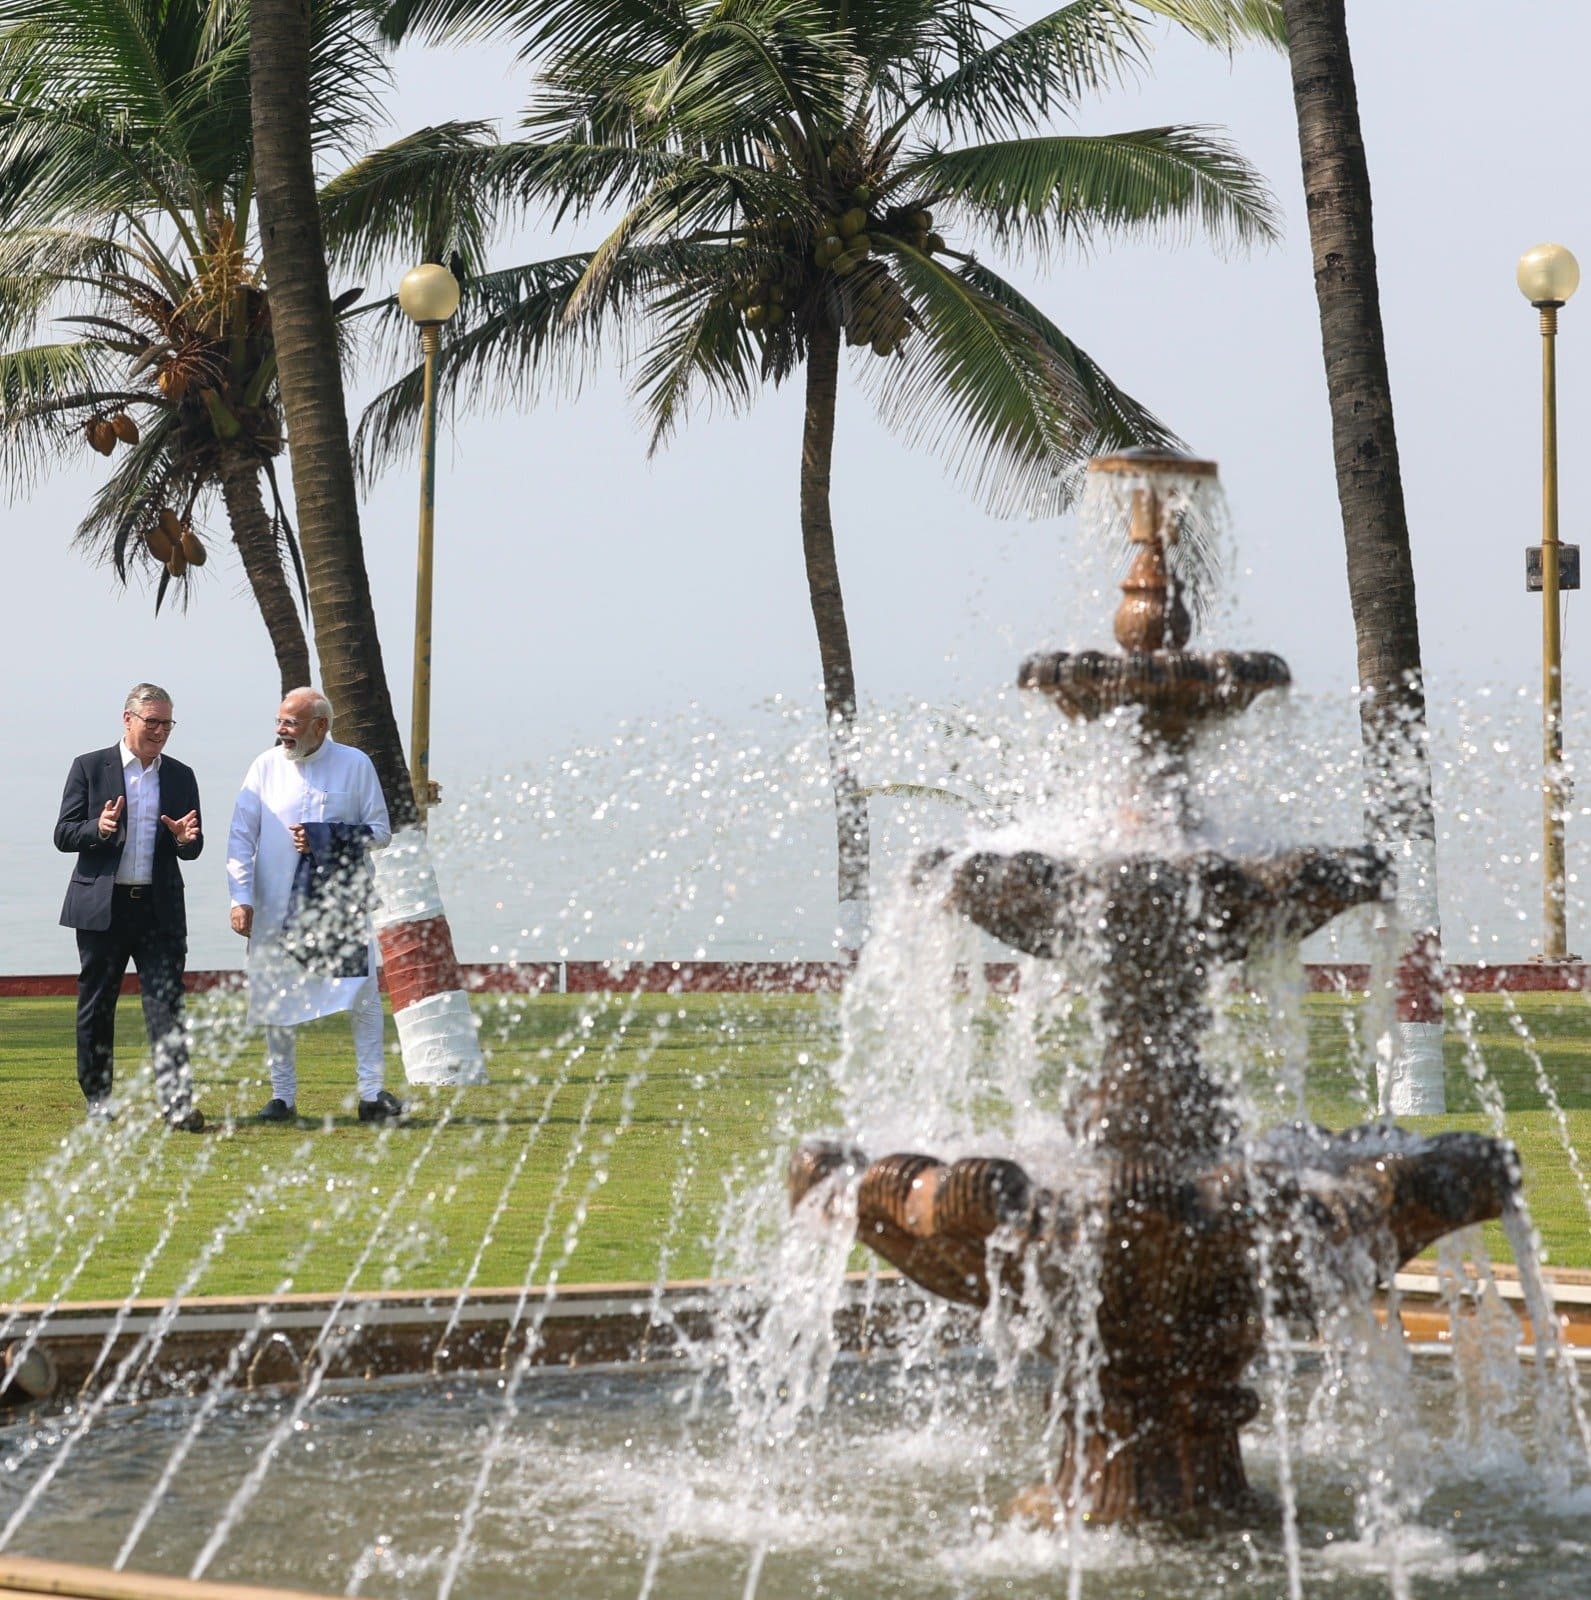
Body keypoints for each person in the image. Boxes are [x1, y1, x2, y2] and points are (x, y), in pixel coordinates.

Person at [226, 687, 403, 1123]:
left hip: (338, 907)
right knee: (275, 998)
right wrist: (240, 897)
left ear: (320, 726)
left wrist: (330, 834)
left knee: (362, 997)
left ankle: (371, 1093)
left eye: (290, 723)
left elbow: (380, 832)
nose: (281, 731)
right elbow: (240, 835)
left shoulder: (355, 765)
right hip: (273, 907)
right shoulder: (264, 767)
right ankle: (282, 1096)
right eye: (279, 721)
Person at [54, 684, 205, 1130]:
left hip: (158, 910)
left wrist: (183, 839)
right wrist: (97, 829)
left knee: (166, 1006)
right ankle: (98, 1100)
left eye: (166, 723)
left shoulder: (180, 775)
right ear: (127, 720)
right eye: (151, 721)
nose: (159, 731)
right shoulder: (89, 766)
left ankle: (177, 1104)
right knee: (97, 1006)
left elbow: (192, 847)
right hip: (104, 908)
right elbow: (63, 833)